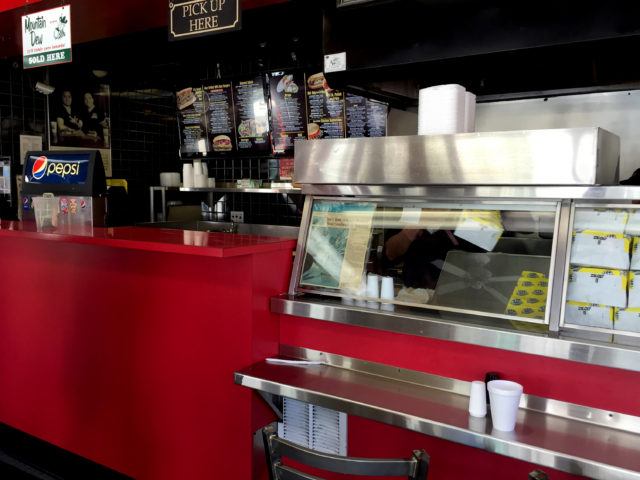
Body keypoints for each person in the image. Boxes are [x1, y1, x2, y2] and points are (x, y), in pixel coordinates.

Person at [383, 227, 482, 289]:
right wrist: (416, 224)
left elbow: (481, 252)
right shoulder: (411, 212)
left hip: (458, 291)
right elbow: (390, 255)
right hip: (416, 294)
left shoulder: (462, 215)